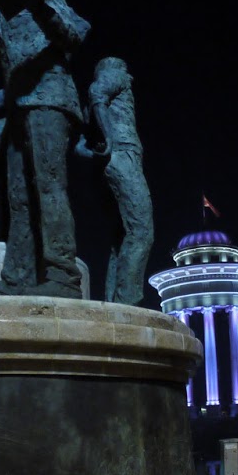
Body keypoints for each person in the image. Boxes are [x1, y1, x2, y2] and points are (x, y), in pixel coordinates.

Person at [0, 0, 89, 298]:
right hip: (16, 109)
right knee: (17, 196)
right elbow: (6, 71)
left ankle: (63, 274)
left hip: (49, 97)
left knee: (49, 188)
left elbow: (74, 35)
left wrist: (39, 6)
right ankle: (17, 277)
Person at [75, 57, 154, 306]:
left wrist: (97, 148)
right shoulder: (116, 75)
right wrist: (109, 139)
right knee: (142, 231)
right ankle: (127, 302)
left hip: (111, 162)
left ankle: (115, 301)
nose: (129, 75)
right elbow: (98, 91)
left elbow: (78, 144)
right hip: (123, 155)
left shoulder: (93, 106)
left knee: (121, 236)